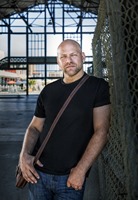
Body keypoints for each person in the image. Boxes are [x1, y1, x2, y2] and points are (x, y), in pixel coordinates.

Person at [19, 39, 111, 200]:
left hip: (70, 177)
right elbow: (34, 127)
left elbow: (101, 131)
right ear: (58, 61)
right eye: (63, 56)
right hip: (37, 175)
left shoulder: (98, 87)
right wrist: (24, 155)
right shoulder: (48, 90)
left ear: (83, 56)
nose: (68, 60)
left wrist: (81, 170)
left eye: (73, 55)